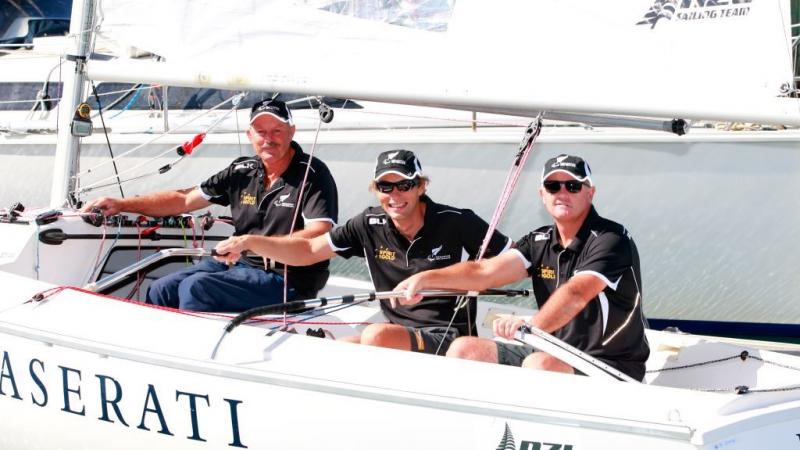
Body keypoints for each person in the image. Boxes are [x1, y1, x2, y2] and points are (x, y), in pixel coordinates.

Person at [214, 149, 510, 354]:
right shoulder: (368, 223)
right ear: (375, 189)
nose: (394, 196)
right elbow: (307, 249)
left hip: (448, 336)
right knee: (331, 353)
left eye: (404, 185)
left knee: (374, 335)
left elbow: (511, 263)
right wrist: (249, 241)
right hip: (397, 332)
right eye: (385, 186)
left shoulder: (457, 221)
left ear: (420, 186)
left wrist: (431, 278)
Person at [394, 154, 649, 380]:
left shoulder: (611, 238)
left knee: (538, 365)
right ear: (542, 195)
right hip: (552, 349)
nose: (562, 193)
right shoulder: (539, 240)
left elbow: (577, 293)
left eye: (572, 186)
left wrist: (531, 326)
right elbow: (484, 272)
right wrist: (426, 277)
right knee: (464, 349)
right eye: (552, 186)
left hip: (611, 366)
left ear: (590, 192)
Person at [82, 99, 338, 312]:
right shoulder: (242, 170)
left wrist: (250, 242)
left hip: (287, 278)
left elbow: (318, 236)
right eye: (261, 132)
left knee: (196, 288)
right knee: (162, 287)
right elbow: (184, 200)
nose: (268, 139)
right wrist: (123, 204)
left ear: (291, 132)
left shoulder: (313, 175)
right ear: (250, 135)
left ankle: (191, 364)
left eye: (277, 131)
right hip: (240, 265)